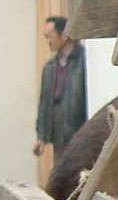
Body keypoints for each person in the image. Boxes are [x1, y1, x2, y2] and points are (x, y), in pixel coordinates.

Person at [33, 15, 87, 158]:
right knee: (60, 164)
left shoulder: (83, 60)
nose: (48, 42)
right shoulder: (51, 66)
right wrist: (42, 135)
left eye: (50, 37)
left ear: (64, 36)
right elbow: (44, 102)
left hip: (77, 123)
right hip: (58, 122)